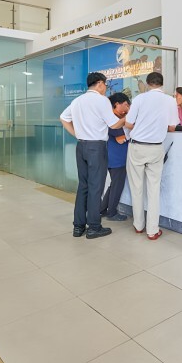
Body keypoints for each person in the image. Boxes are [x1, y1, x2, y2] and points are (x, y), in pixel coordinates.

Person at [60, 72, 126, 239]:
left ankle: (78, 227)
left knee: (83, 186)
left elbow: (63, 118)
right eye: (105, 84)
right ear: (99, 83)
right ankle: (94, 227)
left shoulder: (78, 100)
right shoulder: (101, 100)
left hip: (81, 146)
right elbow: (114, 124)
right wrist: (127, 118)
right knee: (96, 187)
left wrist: (77, 134)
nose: (105, 88)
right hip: (96, 148)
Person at [125, 72, 180, 240]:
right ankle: (152, 230)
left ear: (148, 83)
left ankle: (138, 225)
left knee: (136, 188)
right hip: (156, 148)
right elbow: (172, 127)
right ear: (162, 84)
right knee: (154, 189)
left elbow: (128, 123)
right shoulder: (170, 101)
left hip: (136, 147)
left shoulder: (139, 99)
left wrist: (142, 125)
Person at [101, 93, 131, 221]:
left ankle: (102, 209)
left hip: (113, 157)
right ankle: (112, 213)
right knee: (117, 186)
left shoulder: (112, 118)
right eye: (126, 105)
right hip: (117, 158)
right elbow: (121, 139)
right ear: (117, 104)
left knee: (114, 184)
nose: (127, 108)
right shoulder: (113, 119)